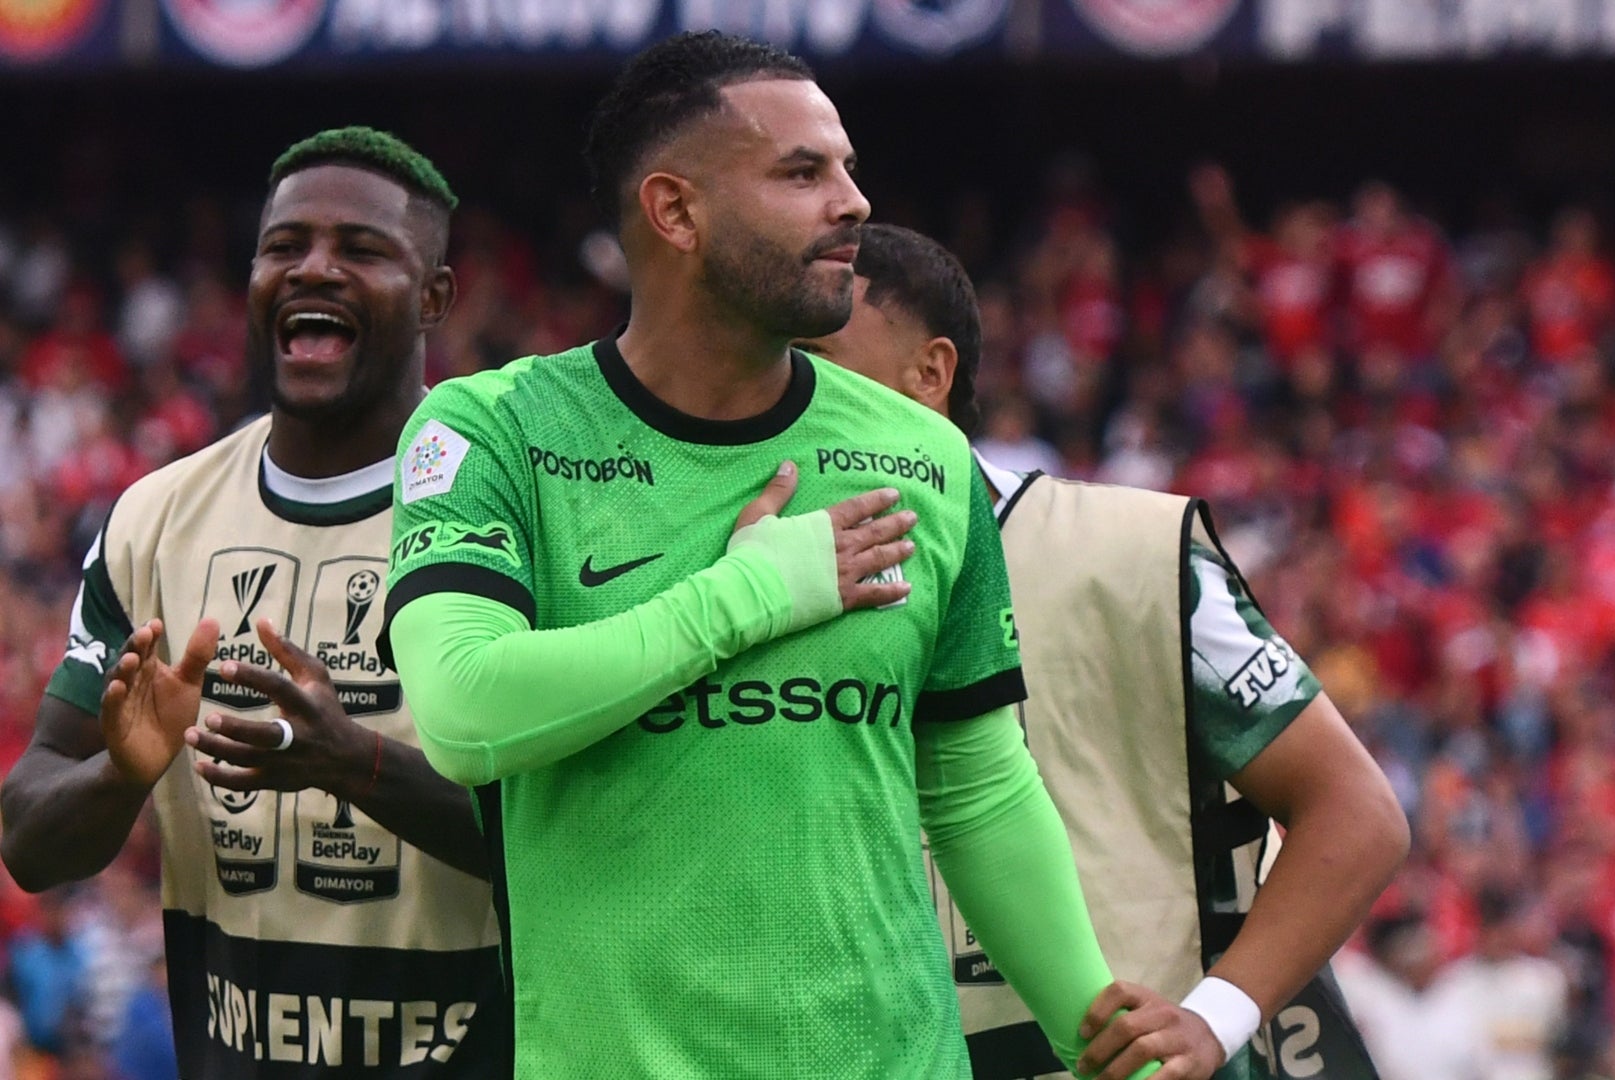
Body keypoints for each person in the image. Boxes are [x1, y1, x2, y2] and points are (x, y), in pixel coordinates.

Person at [378, 31, 1127, 1080]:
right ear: (676, 211)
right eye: (802, 172)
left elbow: (974, 786)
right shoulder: (493, 429)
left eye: (849, 168)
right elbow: (465, 711)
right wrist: (749, 596)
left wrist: (1104, 1038)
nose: (855, 202)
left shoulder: (923, 454)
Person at [796, 224, 1409, 1080]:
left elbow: (1357, 814)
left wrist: (1211, 1020)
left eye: (815, 354)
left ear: (929, 374)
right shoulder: (751, 579)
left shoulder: (1133, 555)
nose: (785, 390)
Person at [0, 127, 505, 1078]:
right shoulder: (154, 520)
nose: (314, 268)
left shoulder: (507, 509)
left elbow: (587, 841)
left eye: (361, 249)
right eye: (285, 246)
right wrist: (120, 776)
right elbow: (27, 838)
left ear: (434, 296)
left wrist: (356, 764)